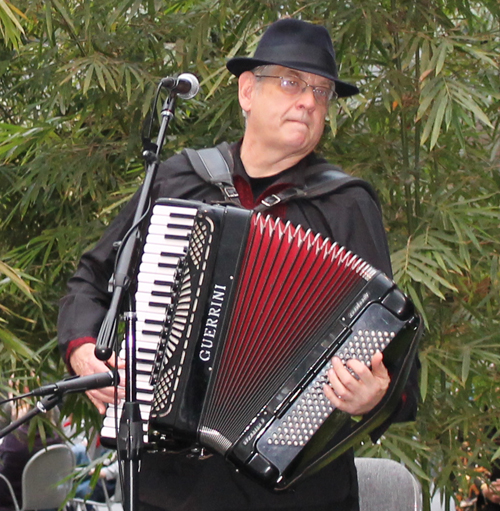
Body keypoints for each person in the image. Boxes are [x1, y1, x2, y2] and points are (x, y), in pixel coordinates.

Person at [57, 18, 419, 511]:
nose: (309, 101)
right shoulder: (177, 181)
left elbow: (397, 357)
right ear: (247, 91)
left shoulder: (346, 204)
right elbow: (93, 280)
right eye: (291, 82)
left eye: (321, 91)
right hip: (170, 485)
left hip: (294, 490)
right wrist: (83, 350)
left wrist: (373, 395)